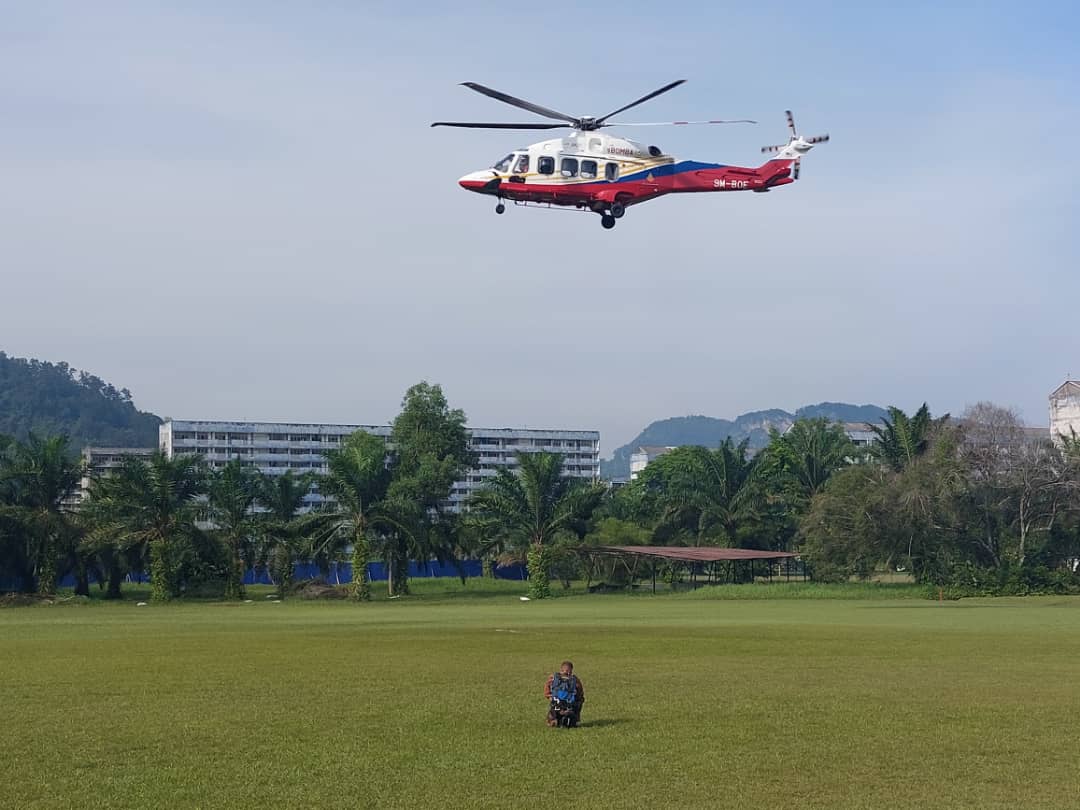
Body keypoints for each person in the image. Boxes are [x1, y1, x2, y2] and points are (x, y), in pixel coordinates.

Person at [545, 660, 584, 727]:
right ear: (571, 671)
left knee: (553, 707)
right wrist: (579, 699)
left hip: (556, 704)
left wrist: (549, 696)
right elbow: (580, 691)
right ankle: (576, 719)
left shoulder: (553, 677)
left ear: (561, 669)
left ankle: (552, 720)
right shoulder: (575, 679)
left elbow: (547, 688)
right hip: (569, 705)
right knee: (580, 700)